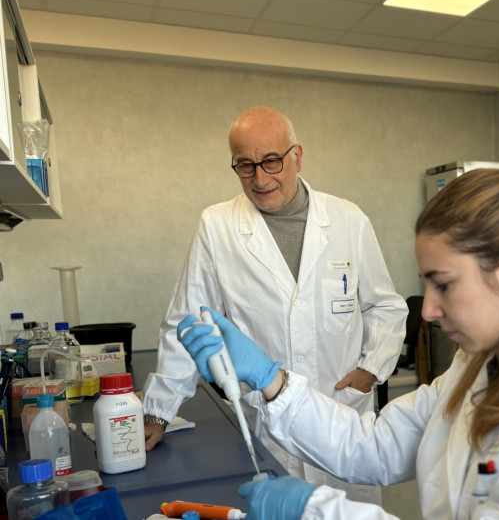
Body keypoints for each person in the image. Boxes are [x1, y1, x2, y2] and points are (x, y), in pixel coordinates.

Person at [178, 165, 499, 519]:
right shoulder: (474, 370)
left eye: (444, 284)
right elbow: (374, 446)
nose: (429, 311)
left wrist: (317, 510)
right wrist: (272, 380)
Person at [142, 107, 408, 505]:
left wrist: (372, 369)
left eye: (271, 161)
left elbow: (385, 306)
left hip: (341, 409)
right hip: (266, 421)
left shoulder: (348, 221)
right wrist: (158, 411)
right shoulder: (218, 225)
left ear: (297, 156)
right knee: (275, 506)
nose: (260, 179)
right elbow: (189, 321)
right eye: (245, 165)